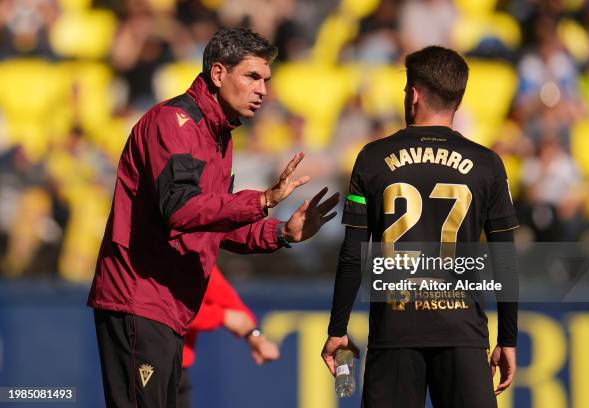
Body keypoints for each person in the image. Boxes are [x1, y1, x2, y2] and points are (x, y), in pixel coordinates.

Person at [89, 27, 339, 408]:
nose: (263, 91)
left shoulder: (217, 134)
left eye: (266, 80)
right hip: (139, 297)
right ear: (219, 74)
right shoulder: (175, 124)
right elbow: (181, 209)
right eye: (252, 77)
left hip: (166, 306)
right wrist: (262, 199)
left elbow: (213, 227)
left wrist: (282, 233)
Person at [321, 46, 519, 407]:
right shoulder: (488, 164)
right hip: (463, 333)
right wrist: (508, 338)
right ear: (458, 99)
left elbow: (353, 254)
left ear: (413, 95)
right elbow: (505, 257)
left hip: (394, 331)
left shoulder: (371, 158)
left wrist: (338, 329)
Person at [178, 264, 279, 408]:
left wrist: (254, 335)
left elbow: (226, 299)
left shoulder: (195, 251)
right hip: (145, 362)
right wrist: (221, 317)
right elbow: (163, 307)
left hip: (178, 371)